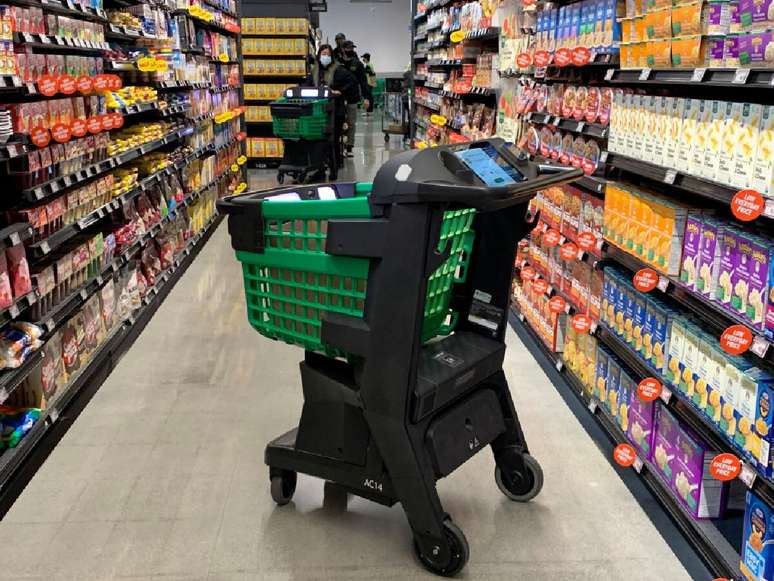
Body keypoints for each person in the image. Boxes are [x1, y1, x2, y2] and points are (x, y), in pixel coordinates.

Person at [309, 44, 358, 179]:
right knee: (319, 141)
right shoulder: (315, 71)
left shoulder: (338, 70)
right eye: (323, 54)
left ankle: (334, 169)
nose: (326, 57)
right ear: (319, 55)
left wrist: (340, 91)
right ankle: (319, 169)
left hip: (335, 111)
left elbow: (353, 81)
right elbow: (307, 84)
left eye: (328, 54)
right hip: (319, 113)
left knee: (333, 140)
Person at [338, 40, 369, 157]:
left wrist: (366, 98)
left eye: (352, 48)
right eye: (348, 48)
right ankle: (339, 146)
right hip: (339, 97)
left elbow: (363, 82)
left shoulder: (358, 64)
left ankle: (349, 147)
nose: (350, 50)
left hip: (352, 97)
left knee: (351, 123)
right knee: (339, 122)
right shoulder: (337, 63)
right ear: (343, 49)